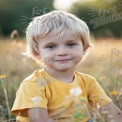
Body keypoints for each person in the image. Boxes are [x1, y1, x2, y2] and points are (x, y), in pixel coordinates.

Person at [11, 10, 122, 122]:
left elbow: (113, 112)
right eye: (51, 46)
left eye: (70, 44)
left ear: (84, 49)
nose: (62, 52)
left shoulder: (88, 82)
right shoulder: (33, 84)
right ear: (37, 53)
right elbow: (39, 119)